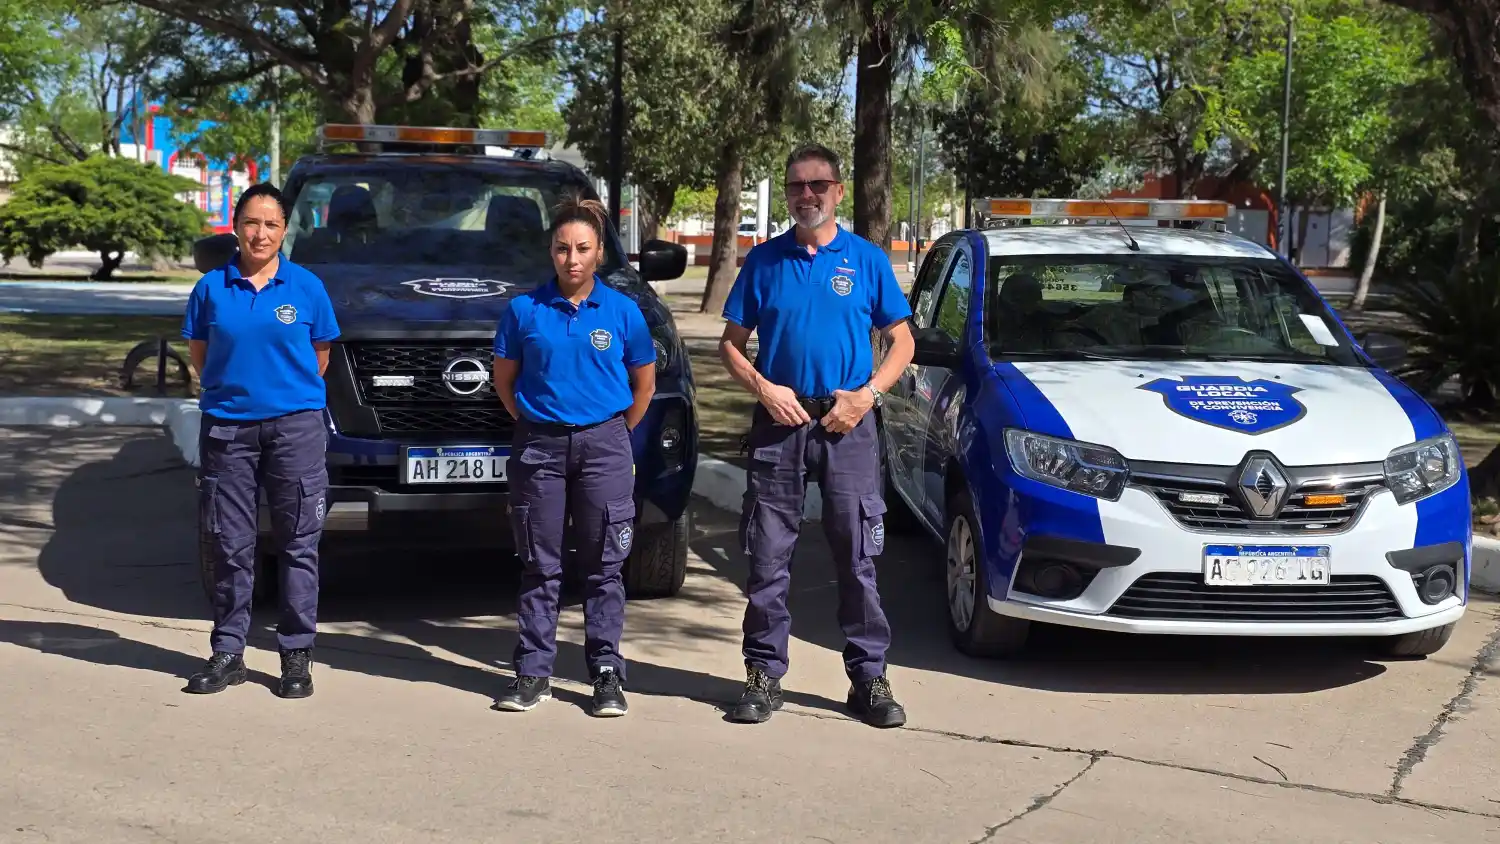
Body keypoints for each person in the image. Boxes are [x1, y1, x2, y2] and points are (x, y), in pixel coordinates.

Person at [717, 143, 916, 728]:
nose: (808, 196)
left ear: (838, 190)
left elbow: (902, 342)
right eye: (797, 186)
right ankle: (762, 675)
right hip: (781, 423)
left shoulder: (867, 260)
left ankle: (869, 679)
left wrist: (868, 396)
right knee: (768, 555)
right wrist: (764, 389)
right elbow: (729, 344)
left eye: (818, 185)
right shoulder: (764, 262)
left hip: (847, 423)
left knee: (857, 555)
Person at [491, 193, 656, 718]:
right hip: (539, 444)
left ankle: (605, 673)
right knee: (540, 564)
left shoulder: (624, 312)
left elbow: (644, 385)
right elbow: (504, 381)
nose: (572, 259)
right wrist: (535, 424)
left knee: (605, 565)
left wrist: (612, 433)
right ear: (551, 252)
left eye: (582, 248)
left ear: (600, 252)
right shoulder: (524, 311)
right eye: (562, 249)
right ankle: (533, 672)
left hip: (605, 443)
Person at [182, 183, 341, 699]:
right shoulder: (211, 288)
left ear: (284, 230)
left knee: (299, 544)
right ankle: (229, 652)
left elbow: (320, 356)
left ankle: (296, 656)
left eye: (272, 224)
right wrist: (239, 396)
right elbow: (201, 355)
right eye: (252, 222)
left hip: (295, 428)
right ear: (236, 225)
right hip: (229, 429)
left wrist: (283, 396)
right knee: (231, 543)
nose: (261, 233)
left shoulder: (307, 288)